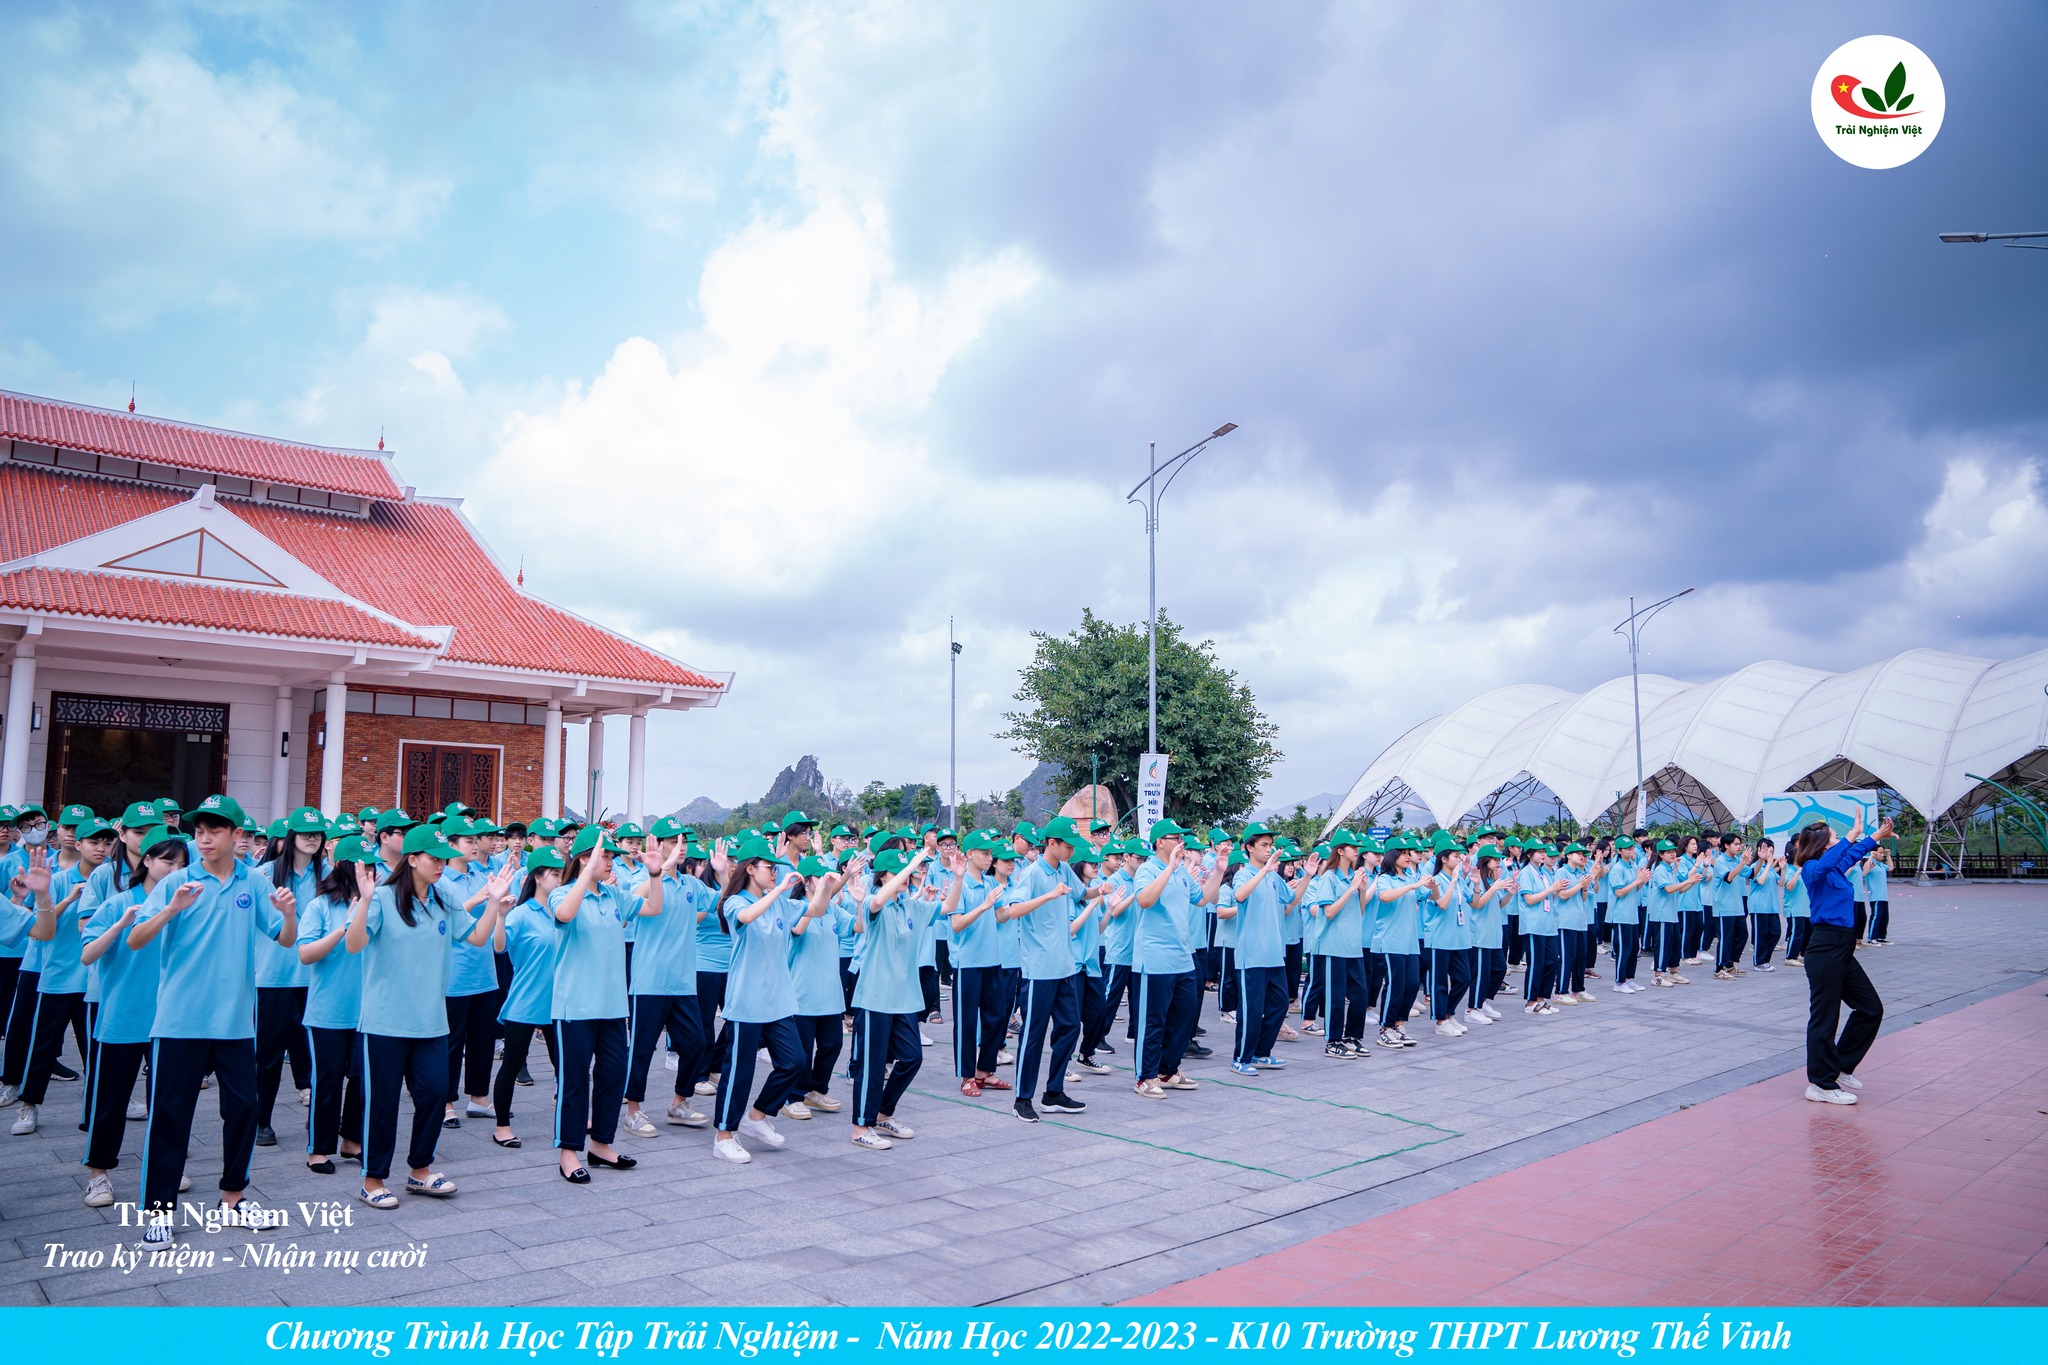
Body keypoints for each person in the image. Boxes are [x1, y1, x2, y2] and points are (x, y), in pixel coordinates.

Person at [124, 795, 299, 1241]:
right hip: (179, 1021)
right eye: (199, 830)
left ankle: (233, 1200)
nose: (204, 838)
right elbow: (135, 940)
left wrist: (289, 915)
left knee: (244, 1109)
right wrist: (171, 909)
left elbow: (284, 941)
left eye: (214, 830)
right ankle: (159, 1211)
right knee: (170, 1115)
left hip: (235, 1022)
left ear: (237, 835)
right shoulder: (176, 882)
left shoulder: (253, 882)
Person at [345, 823, 506, 1208]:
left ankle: (420, 1170)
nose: (440, 865)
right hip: (385, 1022)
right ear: (413, 859)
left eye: (443, 860)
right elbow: (353, 945)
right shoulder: (383, 897)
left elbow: (476, 938)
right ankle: (372, 1179)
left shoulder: (444, 896)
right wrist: (364, 902)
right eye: (434, 859)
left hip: (431, 1021)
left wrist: (494, 903)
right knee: (382, 1103)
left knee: (434, 1094)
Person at [77, 827, 186, 1205]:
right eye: (168, 862)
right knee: (110, 1101)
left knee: (167, 1103)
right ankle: (98, 1174)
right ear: (148, 861)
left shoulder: (186, 906)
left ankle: (165, 1168)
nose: (174, 870)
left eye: (182, 864)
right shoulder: (120, 903)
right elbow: (87, 956)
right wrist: (120, 926)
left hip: (170, 1021)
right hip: (122, 1017)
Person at [548, 825, 655, 1182]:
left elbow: (653, 907)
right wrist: (585, 872)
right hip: (575, 1006)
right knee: (575, 1082)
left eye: (611, 856)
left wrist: (656, 874)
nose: (611, 861)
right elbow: (564, 914)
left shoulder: (614, 896)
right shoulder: (562, 892)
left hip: (612, 1005)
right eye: (604, 856)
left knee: (612, 1076)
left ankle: (600, 1145)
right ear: (583, 859)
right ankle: (568, 1152)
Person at [709, 834, 809, 1164]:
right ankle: (724, 1135)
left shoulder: (776, 901)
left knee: (794, 1062)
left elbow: (816, 908)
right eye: (770, 867)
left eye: (777, 868)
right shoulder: (735, 902)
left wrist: (835, 882)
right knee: (739, 1071)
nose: (775, 873)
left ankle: (757, 1115)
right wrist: (778, 890)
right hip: (747, 1002)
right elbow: (747, 917)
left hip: (777, 1001)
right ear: (751, 869)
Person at [1791, 812, 1892, 1104]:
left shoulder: (1834, 869)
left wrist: (1875, 836)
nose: (1840, 839)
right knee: (1825, 1018)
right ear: (1823, 843)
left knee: (1870, 1008)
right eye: (1835, 836)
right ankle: (1820, 1084)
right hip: (1824, 947)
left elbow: (1851, 855)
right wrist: (1853, 835)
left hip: (1843, 946)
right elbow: (1828, 862)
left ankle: (1842, 1066)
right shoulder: (1812, 869)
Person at [620, 823, 713, 1138]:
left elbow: (720, 900)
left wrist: (723, 873)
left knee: (696, 1043)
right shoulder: (643, 879)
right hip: (650, 980)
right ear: (657, 844)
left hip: (683, 981)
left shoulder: (691, 884)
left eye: (683, 841)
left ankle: (679, 1103)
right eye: (673, 841)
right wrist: (658, 871)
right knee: (642, 1048)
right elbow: (630, 905)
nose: (681, 846)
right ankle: (633, 1111)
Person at [1002, 815, 1092, 1122]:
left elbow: (1081, 894)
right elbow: (1014, 910)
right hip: (1039, 970)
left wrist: (1101, 892)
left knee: (1071, 1026)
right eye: (1068, 846)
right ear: (1051, 843)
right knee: (1033, 1034)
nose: (1072, 852)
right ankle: (1022, 1099)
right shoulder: (1032, 873)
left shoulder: (1064, 869)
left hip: (1064, 967)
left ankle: (1054, 1093)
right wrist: (1049, 895)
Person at [848, 846, 937, 1149]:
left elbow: (948, 907)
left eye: (907, 872)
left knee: (912, 1057)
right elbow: (877, 902)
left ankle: (883, 1113)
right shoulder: (873, 904)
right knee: (871, 1065)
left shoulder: (910, 906)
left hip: (904, 999)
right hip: (875, 998)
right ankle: (860, 1127)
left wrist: (960, 877)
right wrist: (910, 865)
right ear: (884, 876)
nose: (906, 877)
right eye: (898, 872)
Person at [294, 837, 372, 1174]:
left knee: (362, 1078)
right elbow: (305, 954)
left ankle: (351, 1139)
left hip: (367, 1011)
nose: (370, 871)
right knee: (326, 1082)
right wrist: (343, 928)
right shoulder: (321, 906)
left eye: (372, 865)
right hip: (328, 1011)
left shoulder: (375, 903)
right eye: (363, 865)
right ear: (344, 868)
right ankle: (318, 1148)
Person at [253, 808, 326, 1147]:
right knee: (267, 1056)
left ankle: (320, 1123)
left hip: (317, 977)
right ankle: (261, 1120)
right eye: (305, 833)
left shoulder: (328, 875)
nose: (312, 839)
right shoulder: (264, 874)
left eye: (317, 833)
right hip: (274, 977)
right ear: (291, 837)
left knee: (317, 1056)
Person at [491, 849, 564, 1148]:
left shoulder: (563, 911)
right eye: (555, 874)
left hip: (559, 1002)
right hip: (526, 1001)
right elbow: (499, 947)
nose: (560, 879)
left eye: (562, 873)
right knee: (511, 1065)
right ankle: (502, 1126)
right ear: (537, 878)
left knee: (566, 1066)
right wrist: (500, 915)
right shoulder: (520, 914)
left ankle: (572, 1117)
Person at [783, 852, 858, 1122]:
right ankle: (793, 1097)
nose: (826, 881)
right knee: (801, 1052)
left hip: (830, 995)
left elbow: (858, 926)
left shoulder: (834, 910)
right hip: (802, 995)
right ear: (806, 882)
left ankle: (816, 1090)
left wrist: (861, 901)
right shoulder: (795, 907)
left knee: (832, 1045)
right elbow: (798, 930)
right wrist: (823, 894)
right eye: (819, 877)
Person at [1225, 823, 1296, 1075]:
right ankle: (1240, 1058)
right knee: (1251, 1010)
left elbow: (1291, 898)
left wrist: (1308, 876)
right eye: (1264, 845)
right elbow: (1240, 896)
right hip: (1251, 955)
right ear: (1249, 848)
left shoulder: (1274, 877)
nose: (1269, 849)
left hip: (1274, 954)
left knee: (1280, 1005)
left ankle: (1261, 1052)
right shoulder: (1244, 874)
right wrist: (1264, 870)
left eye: (1270, 845)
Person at [945, 833, 1008, 1096]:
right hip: (968, 962)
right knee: (967, 1021)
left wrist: (1040, 900)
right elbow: (957, 924)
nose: (989, 857)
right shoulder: (959, 885)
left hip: (992, 959)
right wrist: (984, 906)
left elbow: (1002, 915)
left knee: (997, 1017)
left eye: (990, 853)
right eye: (984, 853)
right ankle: (967, 1075)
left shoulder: (990, 882)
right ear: (969, 854)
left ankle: (985, 1071)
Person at [1423, 838, 1480, 1036]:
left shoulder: (1460, 880)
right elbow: (1442, 904)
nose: (1460, 858)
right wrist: (1455, 880)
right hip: (1439, 938)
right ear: (1444, 859)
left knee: (1464, 978)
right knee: (1439, 982)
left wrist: (1476, 884)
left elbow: (1475, 903)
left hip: (1459, 938)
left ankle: (1448, 1013)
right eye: (1456, 856)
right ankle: (1440, 1021)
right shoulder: (1436, 880)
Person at [1647, 840, 1700, 988]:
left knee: (1674, 945)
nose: (1672, 854)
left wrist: (1692, 882)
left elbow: (1680, 890)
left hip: (1672, 913)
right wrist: (1688, 880)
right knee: (1663, 945)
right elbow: (1669, 889)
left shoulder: (1670, 869)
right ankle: (1658, 975)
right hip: (1662, 914)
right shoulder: (1660, 870)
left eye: (1673, 851)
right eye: (1668, 852)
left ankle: (1674, 972)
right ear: (1661, 854)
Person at [1864, 843, 1893, 946]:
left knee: (1884, 917)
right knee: (1876, 916)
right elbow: (1865, 871)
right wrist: (1870, 856)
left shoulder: (1880, 864)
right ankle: (1872, 938)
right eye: (1880, 853)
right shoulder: (1870, 863)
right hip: (1875, 895)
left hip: (1883, 895)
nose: (1882, 855)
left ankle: (1881, 937)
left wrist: (1888, 855)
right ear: (1874, 852)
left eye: (1882, 853)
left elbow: (1890, 868)